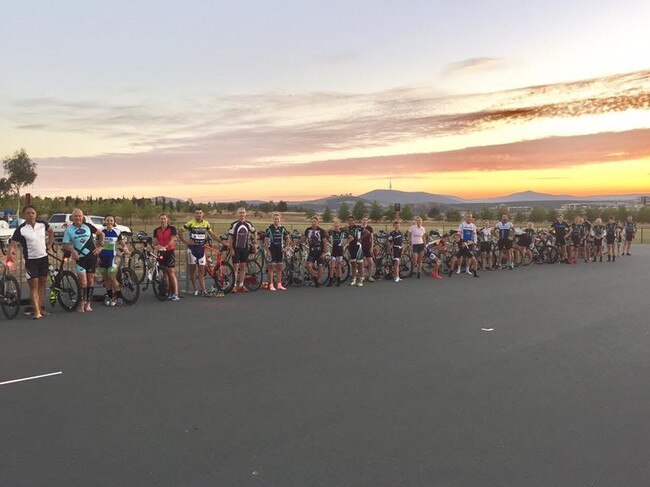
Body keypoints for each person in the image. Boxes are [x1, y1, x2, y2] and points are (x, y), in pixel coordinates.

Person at [7, 205, 54, 319]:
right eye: (28, 213)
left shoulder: (42, 225)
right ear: (24, 215)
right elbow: (13, 244)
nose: (31, 215)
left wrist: (49, 244)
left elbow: (51, 231)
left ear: (36, 214)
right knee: (34, 285)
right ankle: (36, 311)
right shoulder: (21, 229)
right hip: (30, 260)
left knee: (42, 284)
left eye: (33, 213)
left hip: (43, 258)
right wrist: (10, 254)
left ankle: (39, 307)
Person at [62, 208, 104, 312]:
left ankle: (88, 304)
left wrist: (100, 247)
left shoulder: (88, 226)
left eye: (80, 216)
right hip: (80, 258)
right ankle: (81, 303)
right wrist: (73, 251)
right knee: (83, 282)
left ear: (83, 216)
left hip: (92, 257)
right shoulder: (69, 230)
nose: (78, 218)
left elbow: (101, 234)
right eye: (75, 216)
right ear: (72, 217)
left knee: (90, 280)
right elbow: (65, 244)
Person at [179, 208, 217, 296]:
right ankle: (195, 288)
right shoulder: (190, 223)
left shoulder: (206, 223)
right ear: (194, 215)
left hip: (201, 250)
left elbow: (212, 234)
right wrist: (185, 242)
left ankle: (203, 290)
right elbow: (179, 232)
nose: (198, 215)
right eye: (196, 213)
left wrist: (221, 242)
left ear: (202, 214)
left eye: (200, 213)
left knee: (201, 271)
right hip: (192, 250)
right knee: (192, 271)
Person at [98, 215, 129, 306]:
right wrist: (97, 257)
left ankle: (119, 297)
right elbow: (96, 244)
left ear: (114, 222)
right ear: (105, 221)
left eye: (111, 220)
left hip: (112, 257)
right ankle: (111, 296)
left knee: (112, 277)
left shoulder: (117, 231)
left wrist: (126, 249)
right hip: (102, 256)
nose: (109, 222)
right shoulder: (100, 231)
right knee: (106, 278)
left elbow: (122, 243)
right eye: (107, 220)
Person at [152, 213, 181, 301]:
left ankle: (175, 293)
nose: (163, 220)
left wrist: (165, 246)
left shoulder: (172, 229)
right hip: (161, 253)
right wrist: (157, 246)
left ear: (167, 219)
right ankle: (167, 291)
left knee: (171, 272)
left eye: (164, 218)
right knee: (164, 273)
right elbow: (155, 241)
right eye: (161, 219)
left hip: (169, 252)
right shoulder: (156, 230)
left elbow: (172, 239)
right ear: (159, 220)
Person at [228, 207, 256, 293]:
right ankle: (234, 285)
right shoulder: (234, 224)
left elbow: (254, 231)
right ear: (237, 214)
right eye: (240, 213)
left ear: (245, 214)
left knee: (243, 267)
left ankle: (241, 285)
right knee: (235, 268)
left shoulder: (248, 224)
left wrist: (255, 243)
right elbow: (230, 238)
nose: (242, 214)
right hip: (236, 249)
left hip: (244, 249)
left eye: (243, 212)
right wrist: (231, 249)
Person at [264, 213, 289, 291]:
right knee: (271, 267)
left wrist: (286, 247)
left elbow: (287, 238)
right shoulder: (269, 228)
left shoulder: (282, 229)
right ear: (273, 219)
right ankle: (271, 285)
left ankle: (279, 284)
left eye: (278, 219)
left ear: (280, 220)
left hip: (280, 250)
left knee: (279, 267)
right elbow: (266, 241)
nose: (276, 220)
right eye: (275, 219)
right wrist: (267, 250)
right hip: (271, 250)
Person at [302, 215, 328, 287]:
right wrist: (296, 242)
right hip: (312, 251)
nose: (313, 223)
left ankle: (318, 281)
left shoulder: (322, 231)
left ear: (317, 222)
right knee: (308, 265)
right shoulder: (308, 230)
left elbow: (325, 242)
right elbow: (304, 238)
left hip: (320, 251)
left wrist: (324, 252)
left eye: (315, 222)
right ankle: (315, 278)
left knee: (320, 266)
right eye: (312, 222)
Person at [328, 219, 347, 287]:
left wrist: (345, 245)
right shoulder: (331, 232)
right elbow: (325, 232)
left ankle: (338, 281)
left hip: (340, 250)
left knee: (339, 266)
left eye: (337, 226)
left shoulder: (343, 232)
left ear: (340, 226)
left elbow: (351, 238)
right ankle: (330, 280)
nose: (336, 227)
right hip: (333, 250)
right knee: (332, 266)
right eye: (335, 226)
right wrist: (331, 228)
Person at [346, 216, 364, 286]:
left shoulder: (358, 227)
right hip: (351, 247)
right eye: (349, 221)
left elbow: (367, 232)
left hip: (358, 247)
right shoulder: (347, 229)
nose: (350, 222)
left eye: (352, 221)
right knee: (353, 264)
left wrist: (360, 238)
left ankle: (361, 280)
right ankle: (354, 279)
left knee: (360, 264)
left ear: (354, 221)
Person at [360, 217, 375, 282]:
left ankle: (370, 276)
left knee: (370, 262)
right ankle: (362, 276)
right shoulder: (359, 228)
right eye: (363, 220)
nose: (365, 221)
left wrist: (371, 247)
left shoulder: (369, 228)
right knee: (362, 262)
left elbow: (372, 238)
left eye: (366, 220)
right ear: (361, 221)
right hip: (361, 247)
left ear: (367, 221)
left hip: (368, 246)